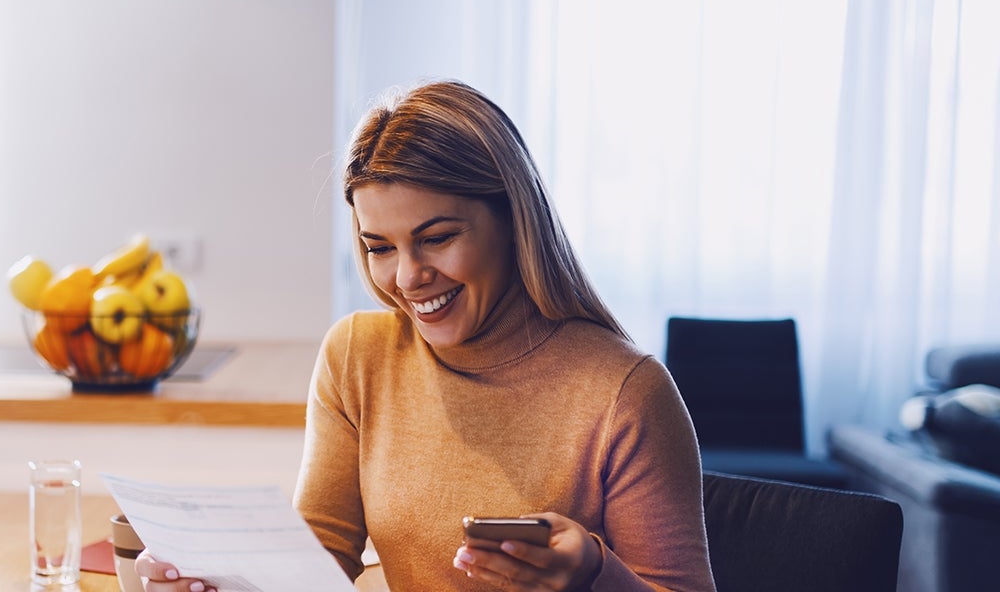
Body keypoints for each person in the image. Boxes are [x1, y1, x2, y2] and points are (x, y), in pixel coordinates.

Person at [137, 80, 716, 591]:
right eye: (379, 247)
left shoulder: (625, 392)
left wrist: (594, 574)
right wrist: (221, 583)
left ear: (513, 221)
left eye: (436, 238)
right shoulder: (357, 356)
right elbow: (316, 567)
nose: (408, 277)